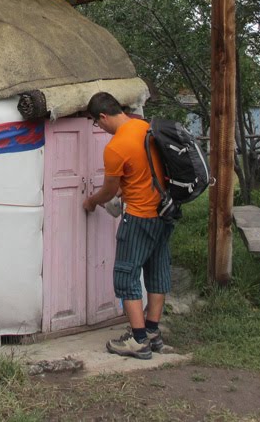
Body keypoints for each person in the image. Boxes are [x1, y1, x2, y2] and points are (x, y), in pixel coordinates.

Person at [82, 91, 176, 360]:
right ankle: (153, 332)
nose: (98, 128)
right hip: (164, 213)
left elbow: (109, 192)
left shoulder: (115, 147)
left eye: (96, 123)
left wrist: (91, 202)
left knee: (127, 275)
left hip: (138, 217)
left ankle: (137, 340)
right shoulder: (145, 128)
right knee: (157, 273)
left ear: (103, 116)